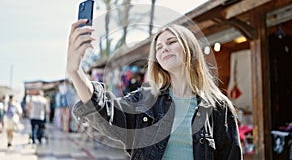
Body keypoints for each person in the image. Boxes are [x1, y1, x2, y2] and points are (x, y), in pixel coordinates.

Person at [67, 20, 242, 160]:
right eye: (158, 47)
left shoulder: (219, 106)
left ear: (190, 49)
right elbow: (106, 112)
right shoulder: (145, 99)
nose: (164, 48)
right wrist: (75, 72)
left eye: (171, 42)